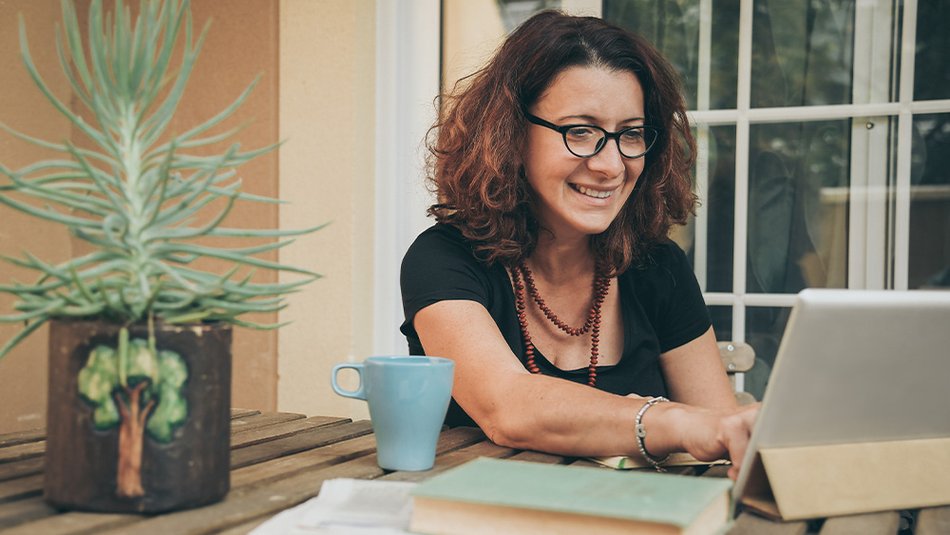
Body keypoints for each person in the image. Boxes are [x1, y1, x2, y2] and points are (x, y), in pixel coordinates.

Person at [400, 11, 757, 479]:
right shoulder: (443, 259)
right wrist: (670, 420)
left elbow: (723, 430)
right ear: (511, 133)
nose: (611, 165)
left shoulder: (658, 265)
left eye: (631, 134)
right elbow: (507, 407)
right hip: (486, 510)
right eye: (580, 131)